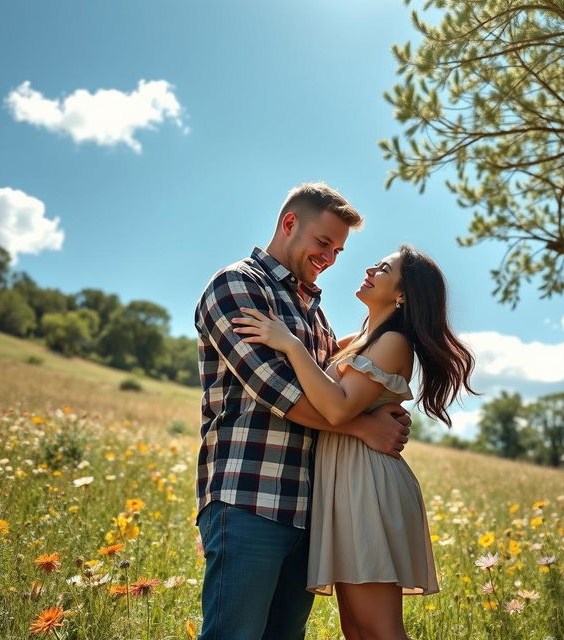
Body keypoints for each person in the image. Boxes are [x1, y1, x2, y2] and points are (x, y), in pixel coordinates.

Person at [193, 183, 411, 640]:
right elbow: (277, 390)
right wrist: (364, 429)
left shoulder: (314, 311)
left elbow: (339, 382)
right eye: (323, 243)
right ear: (290, 223)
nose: (330, 257)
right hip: (250, 498)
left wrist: (383, 400)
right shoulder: (236, 285)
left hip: (310, 512)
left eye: (338, 249)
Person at [233, 244, 476, 639]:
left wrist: (290, 345)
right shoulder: (358, 340)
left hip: (368, 483)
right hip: (344, 482)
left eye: (383, 268)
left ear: (403, 294)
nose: (369, 269)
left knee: (379, 630)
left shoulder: (393, 342)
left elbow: (339, 409)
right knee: (358, 630)